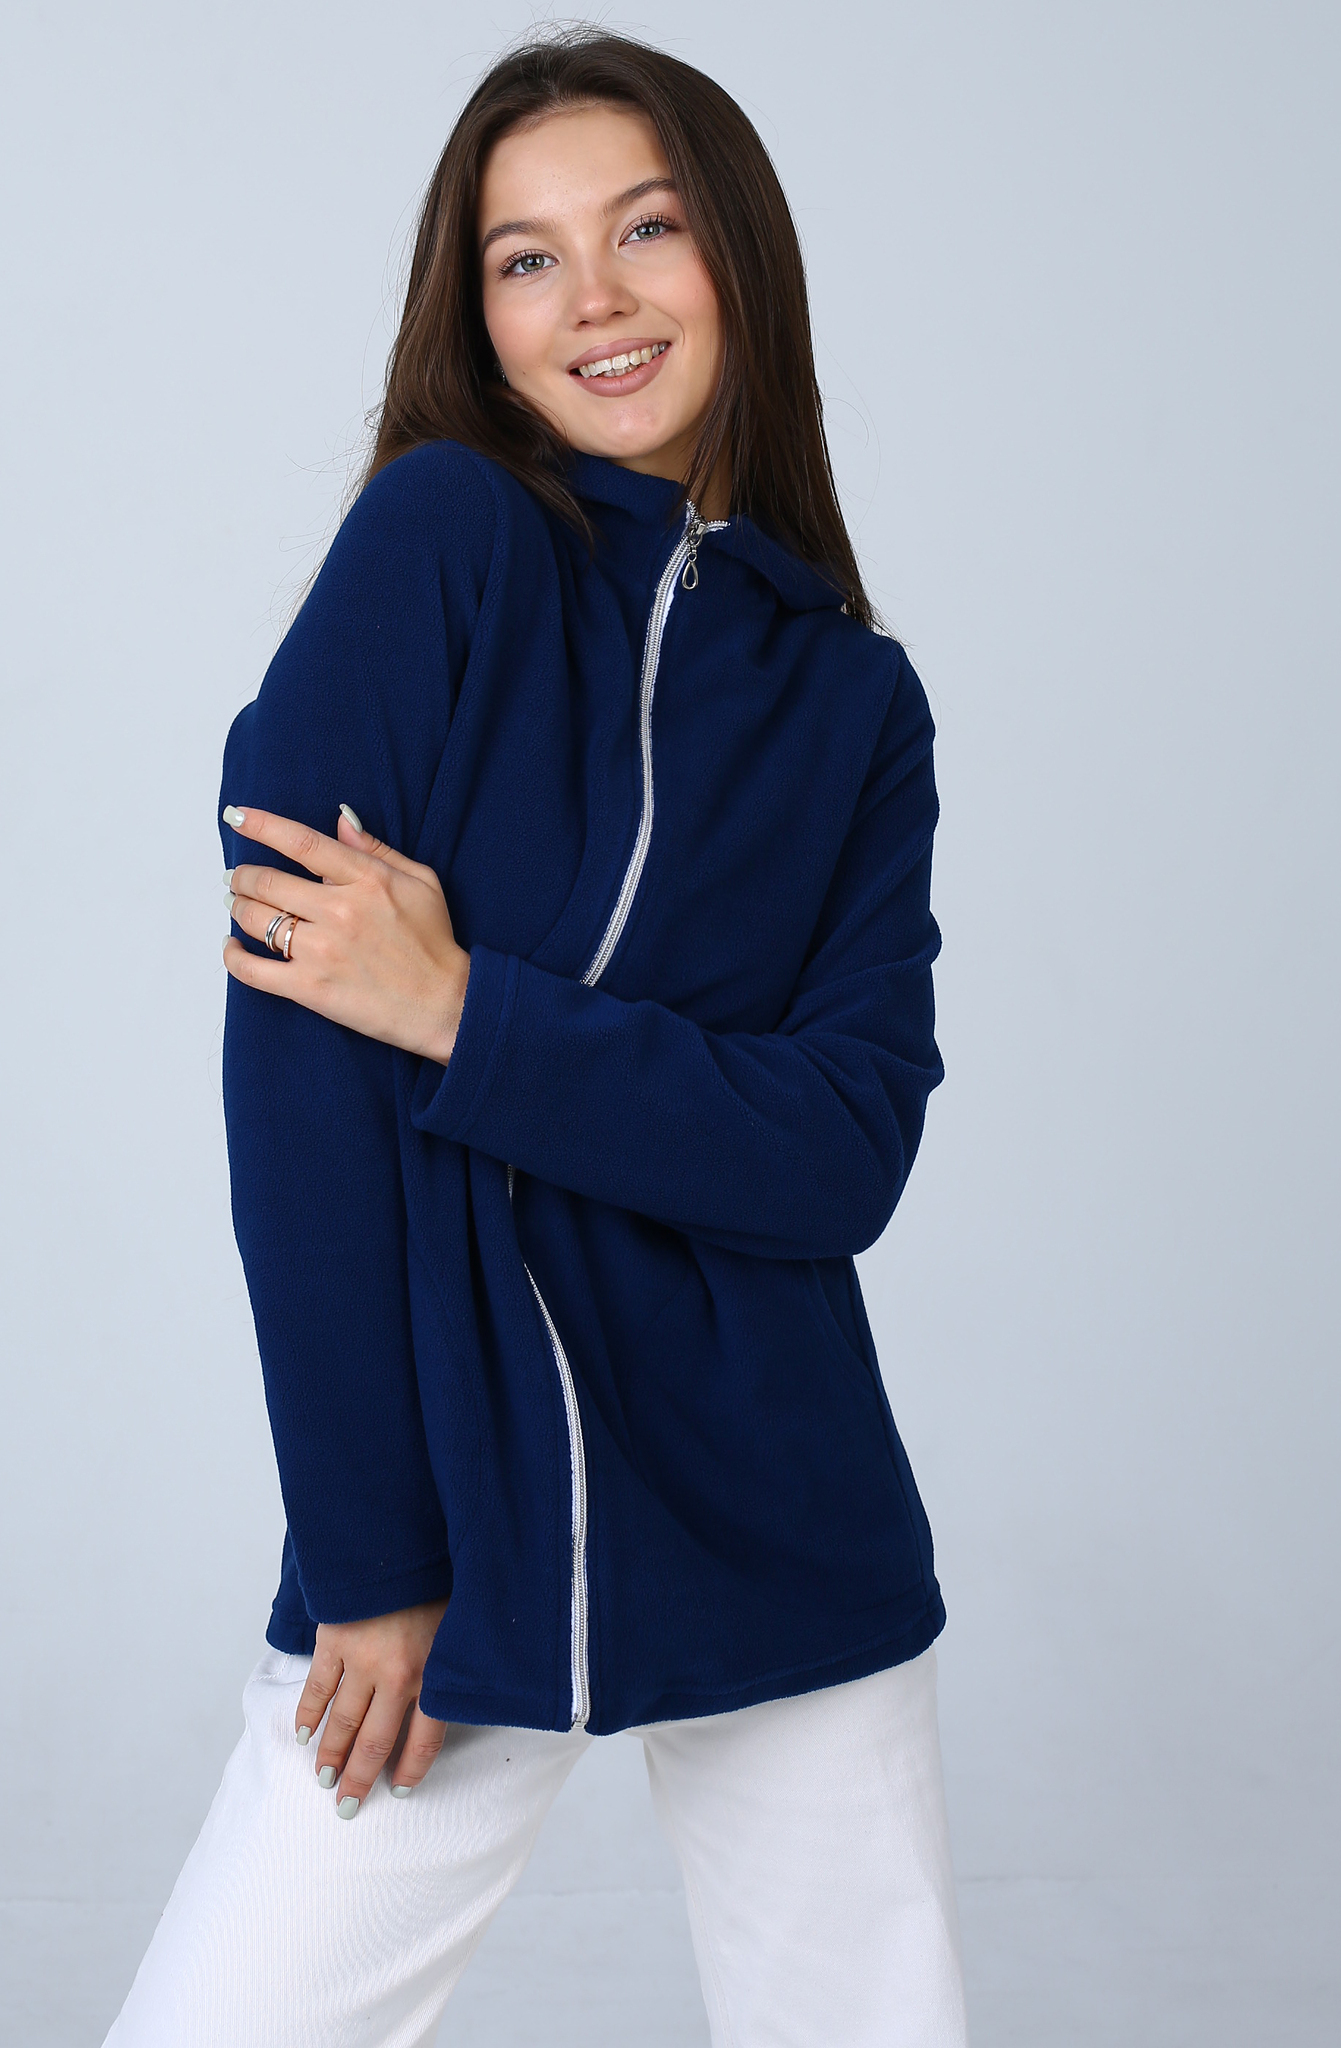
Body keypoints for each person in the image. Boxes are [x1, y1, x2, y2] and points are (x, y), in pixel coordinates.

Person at [107, 28, 966, 2047]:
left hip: (784, 1506)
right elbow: (294, 1072)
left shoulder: (855, 701)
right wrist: (366, 1549)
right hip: (452, 1508)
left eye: (645, 229)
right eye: (526, 257)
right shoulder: (442, 543)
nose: (594, 297)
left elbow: (843, 1150)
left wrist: (463, 1011)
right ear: (478, 319)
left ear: (737, 256)